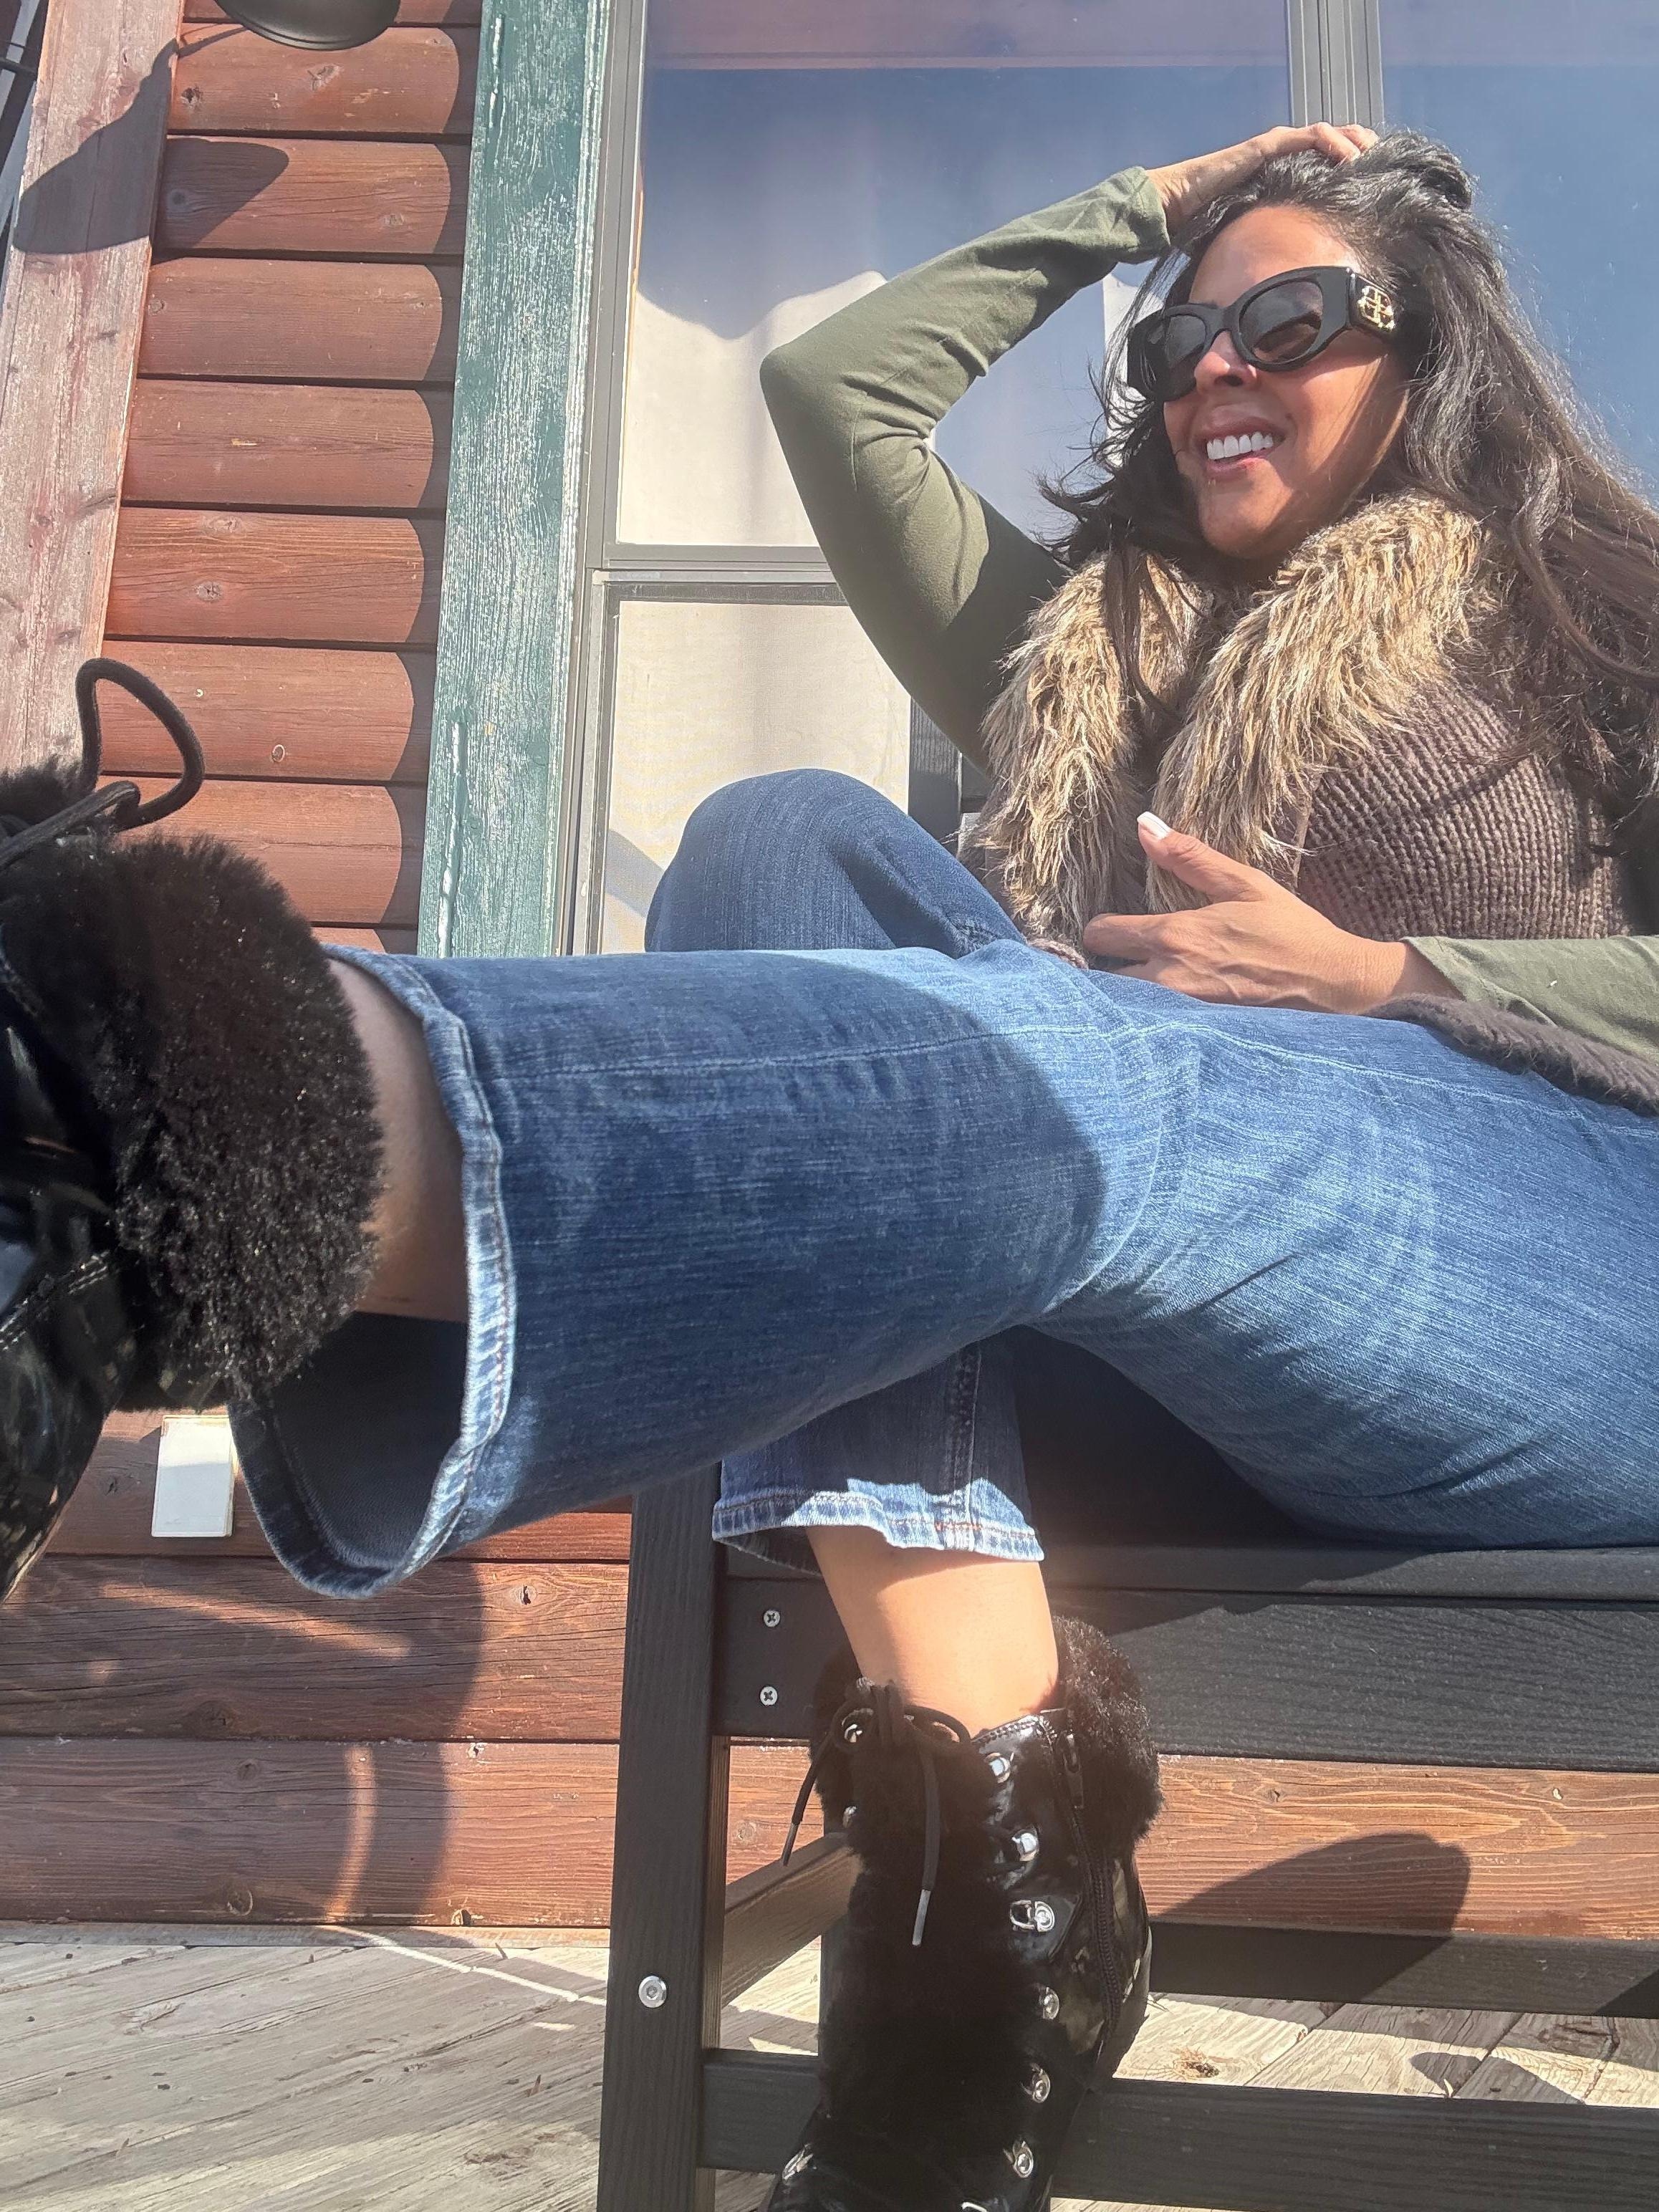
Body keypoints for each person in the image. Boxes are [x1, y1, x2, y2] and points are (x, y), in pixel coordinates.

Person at [0, 125, 1655, 2212]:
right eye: (1179, 339)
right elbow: (834, 387)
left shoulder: (1597, 615)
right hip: (1146, 1338)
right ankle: (996, 1865)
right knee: (782, 840)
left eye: (1292, 319)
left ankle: (109, 1122)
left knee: (1112, 1078)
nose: (1217, 368)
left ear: (1433, 347)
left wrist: (1388, 977)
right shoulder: (1082, 648)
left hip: (1550, 1301)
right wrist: (1146, 207)